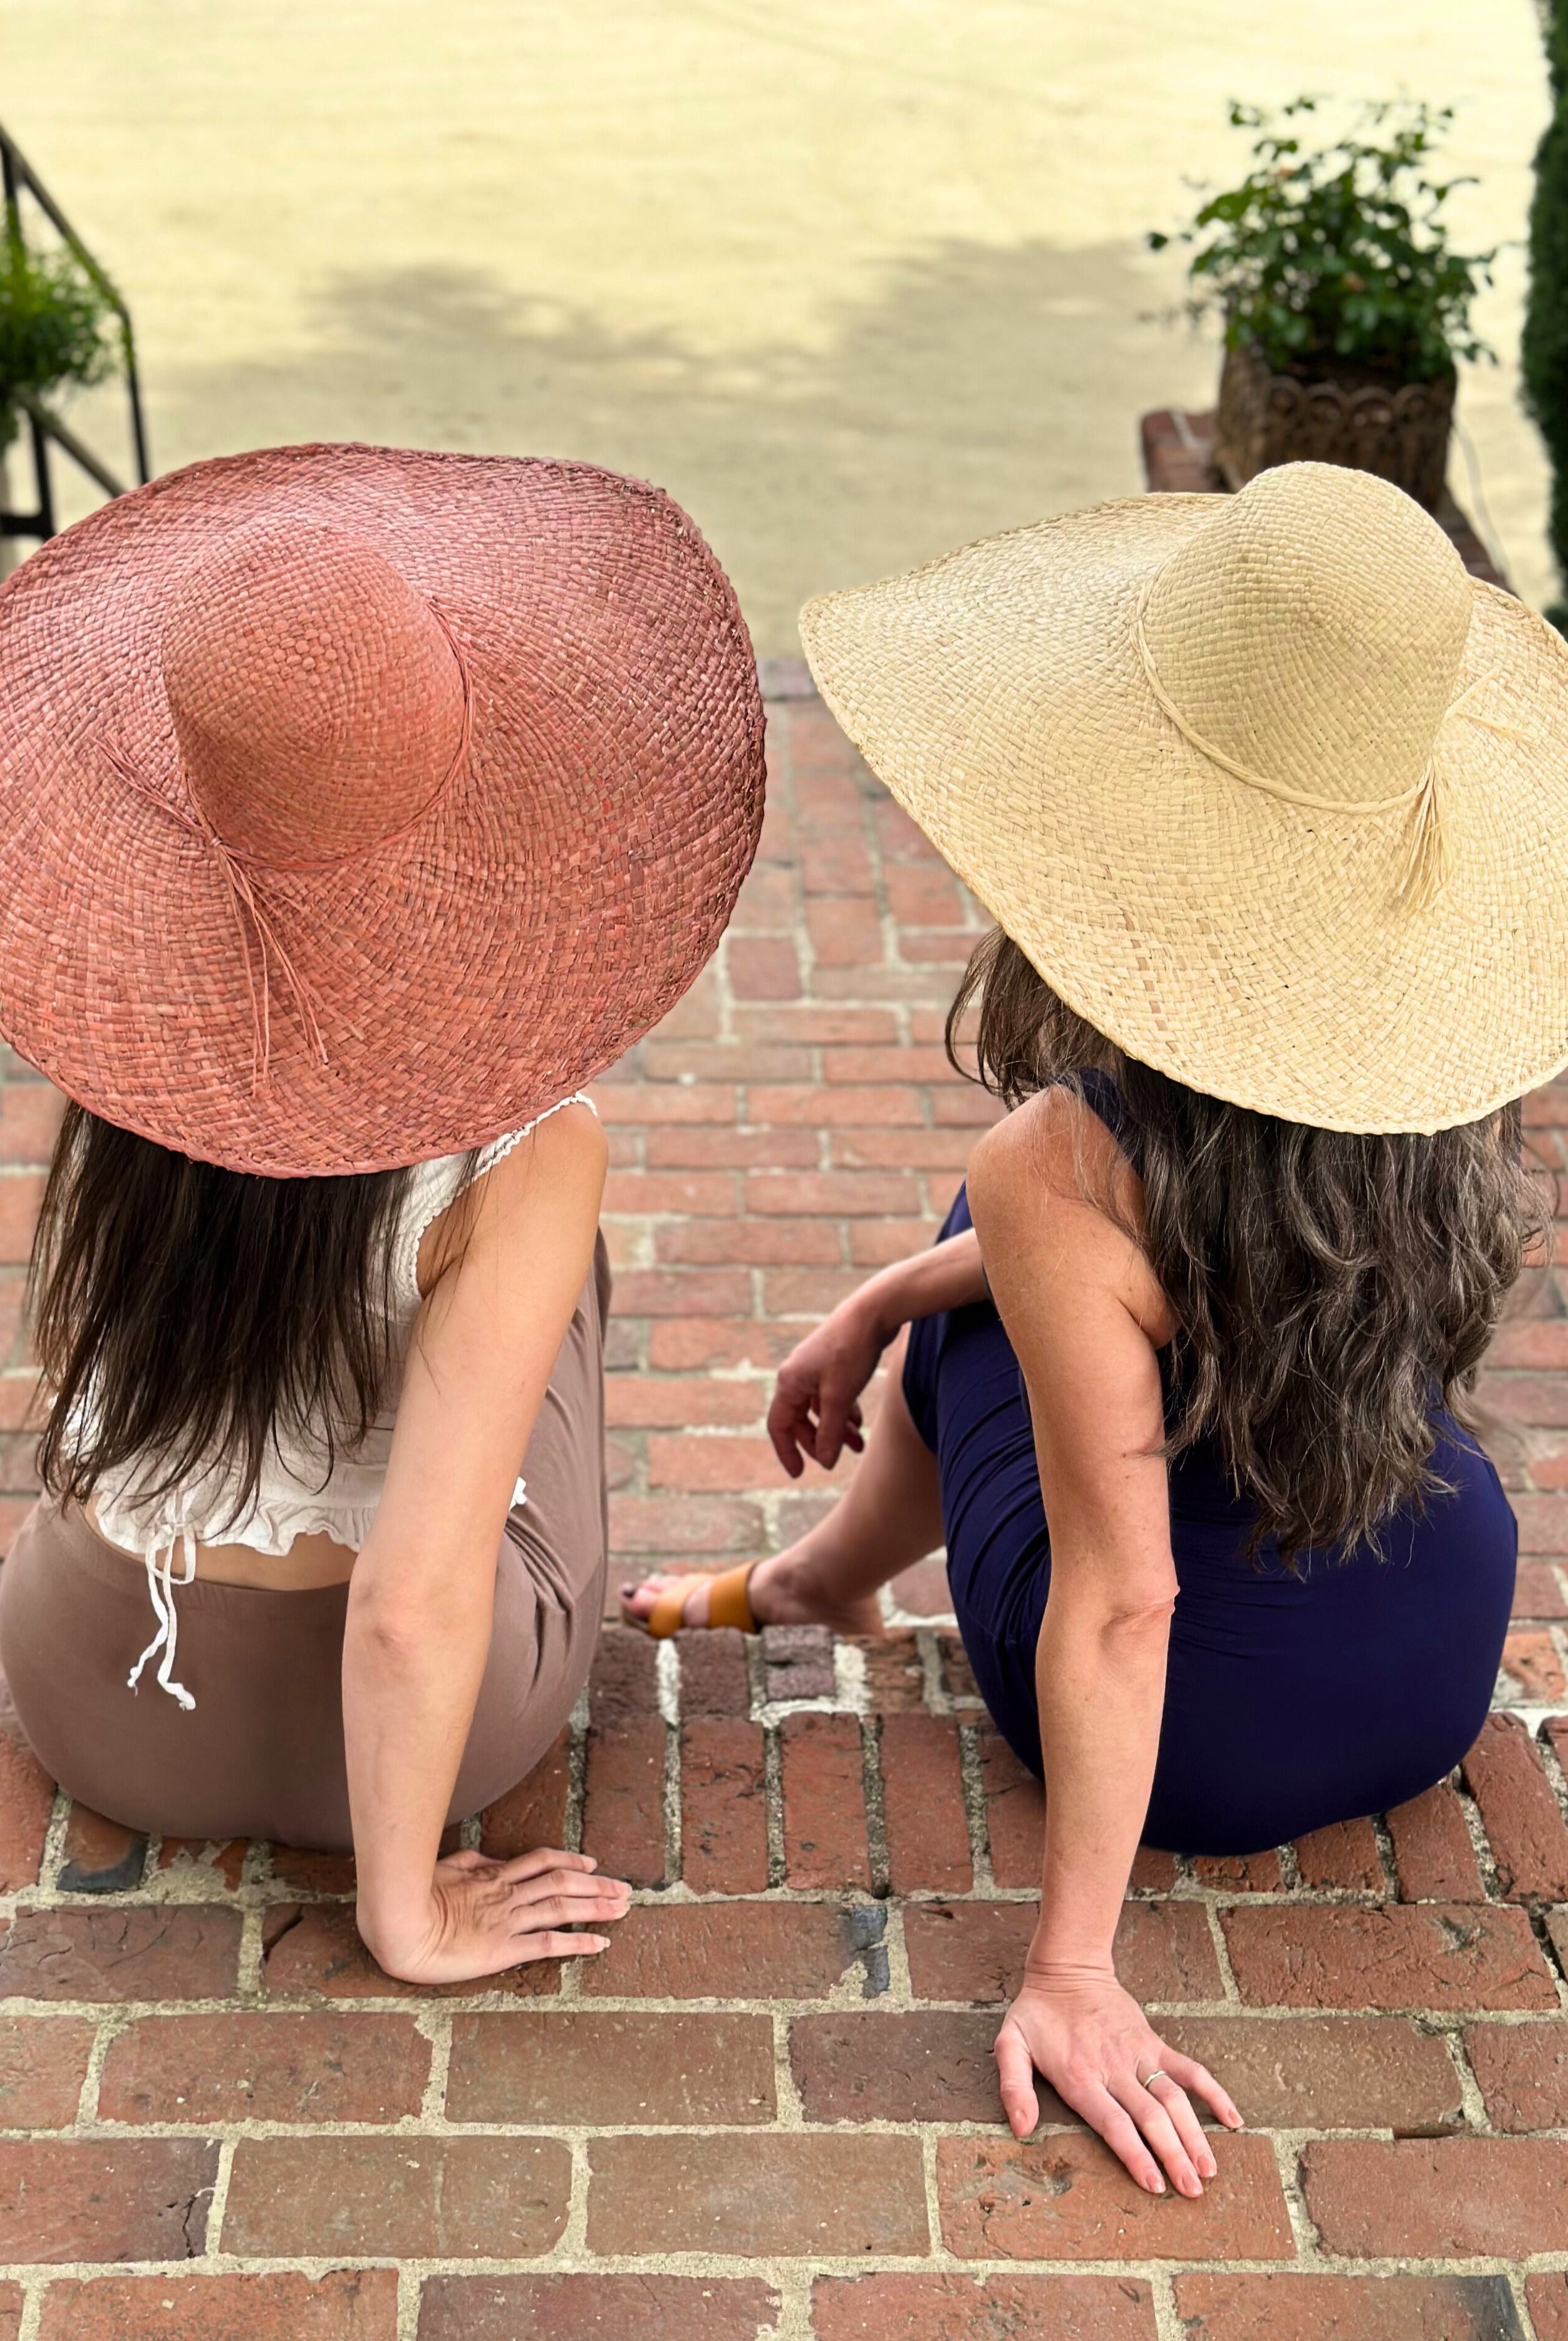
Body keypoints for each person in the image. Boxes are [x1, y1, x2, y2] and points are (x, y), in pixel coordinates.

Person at [625, 463, 1568, 2199]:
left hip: (1203, 1738)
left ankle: (826, 1577)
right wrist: (895, 1291)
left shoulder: (1060, 1165)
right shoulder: (1440, 1064)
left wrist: (1073, 1969)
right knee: (984, 1248)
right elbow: (1241, 1259)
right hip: (1433, 1650)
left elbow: (1126, 1595)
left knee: (1003, 1222)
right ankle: (834, 1551)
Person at [0, 442, 765, 1987]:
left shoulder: (136, 1022)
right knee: (548, 1272)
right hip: (434, 1748)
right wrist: (403, 1916)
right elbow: (416, 1611)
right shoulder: (529, 1143)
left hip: (101, 1693)